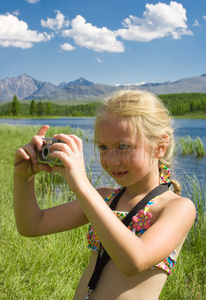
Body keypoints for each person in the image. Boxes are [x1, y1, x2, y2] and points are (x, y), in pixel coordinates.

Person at [13, 90, 196, 300]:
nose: (112, 159)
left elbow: (134, 261)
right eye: (103, 147)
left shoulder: (177, 207)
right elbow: (32, 225)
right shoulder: (103, 198)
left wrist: (82, 186)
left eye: (124, 146)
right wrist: (23, 178)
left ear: (160, 146)